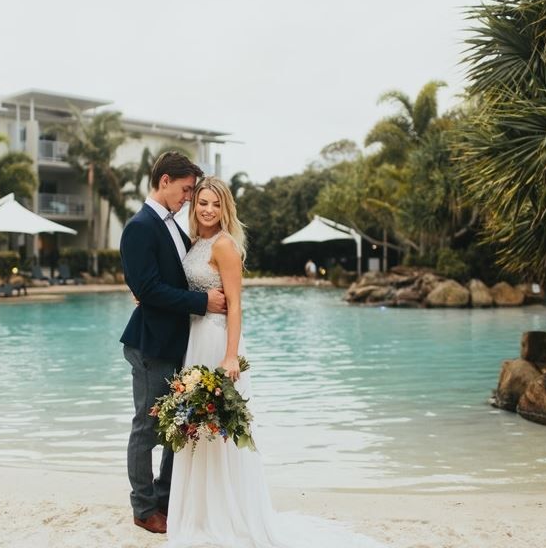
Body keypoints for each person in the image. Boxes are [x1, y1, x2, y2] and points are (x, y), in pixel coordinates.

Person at [165, 177, 386, 547]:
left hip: (218, 340)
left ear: (225, 210)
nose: (207, 210)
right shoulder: (196, 243)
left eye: (215, 205)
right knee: (198, 428)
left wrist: (231, 354)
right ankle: (199, 512)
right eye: (202, 202)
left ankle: (229, 514)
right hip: (194, 341)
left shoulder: (225, 246)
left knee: (222, 432)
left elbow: (235, 304)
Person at [119, 151, 228, 535]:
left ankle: (167, 499)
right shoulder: (140, 226)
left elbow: (177, 277)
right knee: (147, 428)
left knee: (175, 427)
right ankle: (144, 507)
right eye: (184, 190)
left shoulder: (172, 226)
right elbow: (147, 287)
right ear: (164, 181)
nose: (187, 199)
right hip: (150, 344)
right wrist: (202, 302)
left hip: (179, 343)